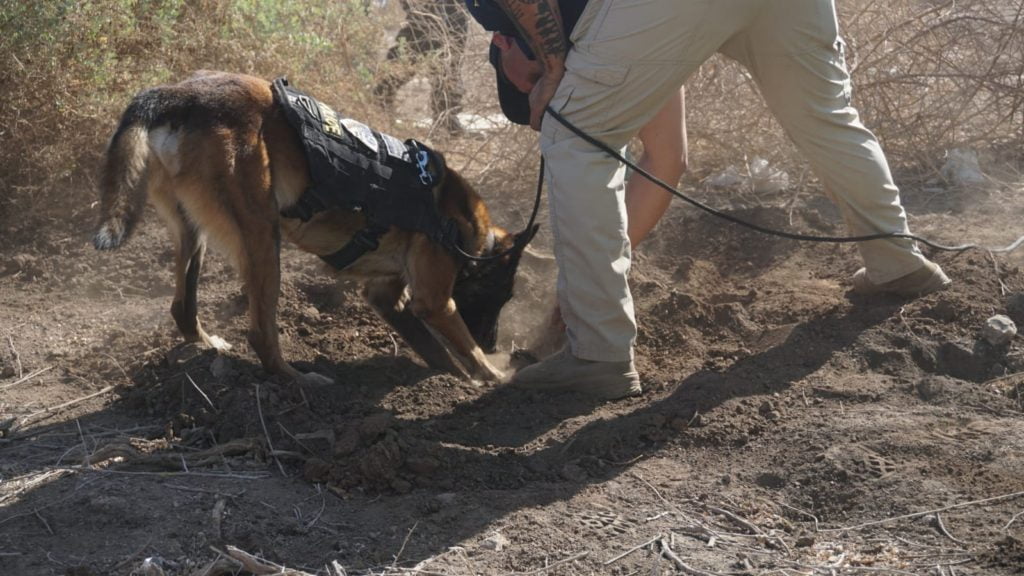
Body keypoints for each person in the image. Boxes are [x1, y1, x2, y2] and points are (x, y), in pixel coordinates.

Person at [467, 0, 952, 401]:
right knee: (825, 114)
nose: (543, 94)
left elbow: (622, 139)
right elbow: (667, 157)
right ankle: (897, 261)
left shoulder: (548, 20)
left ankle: (597, 354)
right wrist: (593, 276)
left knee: (574, 138)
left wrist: (554, 68)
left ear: (504, 40)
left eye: (529, 85)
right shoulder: (624, 29)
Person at [373, 0, 469, 135]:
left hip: (454, 10)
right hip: (428, 9)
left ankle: (447, 119)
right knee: (415, 45)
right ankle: (379, 104)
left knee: (450, 59)